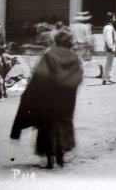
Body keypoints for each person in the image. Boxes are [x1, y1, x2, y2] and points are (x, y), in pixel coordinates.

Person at [11, 29, 83, 169]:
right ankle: (61, 158)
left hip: (49, 99)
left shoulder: (50, 54)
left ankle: (50, 160)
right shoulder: (74, 57)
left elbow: (40, 76)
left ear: (56, 41)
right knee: (63, 125)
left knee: (48, 126)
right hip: (67, 101)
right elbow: (78, 77)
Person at [101, 13, 116, 85]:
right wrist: (111, 47)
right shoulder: (108, 27)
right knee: (109, 63)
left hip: (110, 46)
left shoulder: (109, 27)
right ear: (110, 19)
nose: (115, 19)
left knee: (110, 63)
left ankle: (108, 78)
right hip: (110, 47)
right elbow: (108, 38)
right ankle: (106, 79)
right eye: (113, 18)